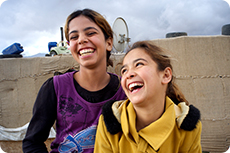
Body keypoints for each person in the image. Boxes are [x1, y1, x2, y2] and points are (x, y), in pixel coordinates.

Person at [22, 8, 126, 153]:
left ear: (109, 42)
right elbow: (32, 143)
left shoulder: (127, 90)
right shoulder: (55, 88)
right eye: (74, 37)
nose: (82, 40)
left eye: (90, 33)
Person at [94, 40, 202, 153]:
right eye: (124, 70)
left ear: (165, 75)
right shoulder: (110, 122)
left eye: (139, 64)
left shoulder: (187, 126)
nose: (129, 74)